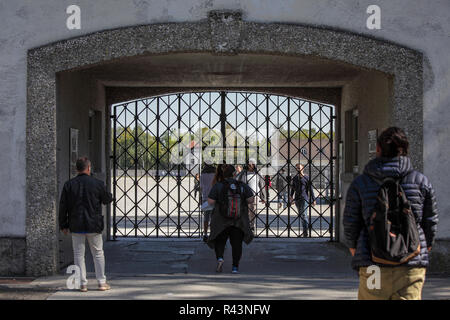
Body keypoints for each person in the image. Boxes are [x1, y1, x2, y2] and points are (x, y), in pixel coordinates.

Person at [343, 127, 438, 300]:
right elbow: (430, 220)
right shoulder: (420, 181)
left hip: (373, 265)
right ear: (405, 150)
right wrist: (427, 245)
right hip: (411, 264)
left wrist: (355, 249)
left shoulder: (361, 182)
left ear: (378, 149)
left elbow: (351, 221)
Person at [59, 157, 113, 292]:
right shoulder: (97, 184)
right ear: (89, 168)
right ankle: (101, 282)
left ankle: (82, 283)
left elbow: (63, 206)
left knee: (78, 255)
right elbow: (107, 199)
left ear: (76, 169)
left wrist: (63, 225)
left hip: (76, 224)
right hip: (94, 224)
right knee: (98, 253)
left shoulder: (69, 185)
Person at [207, 164, 255, 274]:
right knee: (237, 243)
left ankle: (220, 258)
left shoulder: (218, 185)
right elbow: (251, 200)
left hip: (221, 220)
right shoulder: (241, 185)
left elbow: (210, 201)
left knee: (220, 240)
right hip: (238, 220)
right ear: (234, 174)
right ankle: (235, 267)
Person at [236, 159, 263, 230]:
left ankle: (252, 225)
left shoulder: (258, 173)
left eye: (252, 164)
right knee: (245, 211)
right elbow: (237, 180)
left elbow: (261, 184)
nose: (251, 165)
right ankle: (245, 224)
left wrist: (263, 197)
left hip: (254, 194)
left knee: (253, 211)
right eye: (249, 164)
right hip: (244, 195)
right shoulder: (243, 173)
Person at [290, 163, 316, 237]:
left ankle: (305, 232)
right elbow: (293, 188)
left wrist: (313, 199)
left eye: (299, 168)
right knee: (301, 215)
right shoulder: (295, 178)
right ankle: (305, 230)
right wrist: (291, 197)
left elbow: (310, 189)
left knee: (304, 215)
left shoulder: (306, 178)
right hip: (297, 198)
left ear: (303, 168)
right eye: (297, 168)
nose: (298, 169)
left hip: (305, 198)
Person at [200, 164, 216, 242]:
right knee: (214, 217)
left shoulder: (202, 175)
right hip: (214, 197)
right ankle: (213, 233)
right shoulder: (215, 175)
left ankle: (205, 234)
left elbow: (201, 187)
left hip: (206, 197)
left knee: (206, 218)